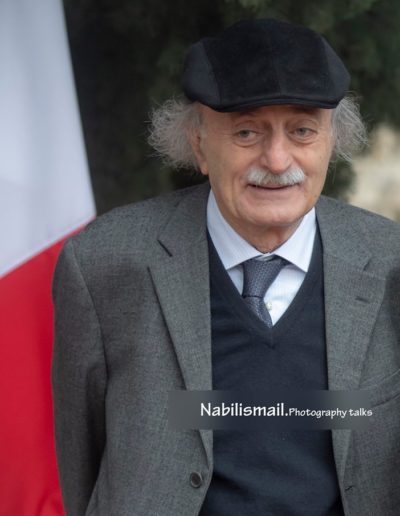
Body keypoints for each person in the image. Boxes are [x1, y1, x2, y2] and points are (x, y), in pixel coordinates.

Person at [52, 18, 400, 516]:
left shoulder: (389, 263)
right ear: (199, 144)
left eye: (302, 131)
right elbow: (81, 461)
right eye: (246, 132)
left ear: (331, 141)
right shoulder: (104, 265)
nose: (277, 160)